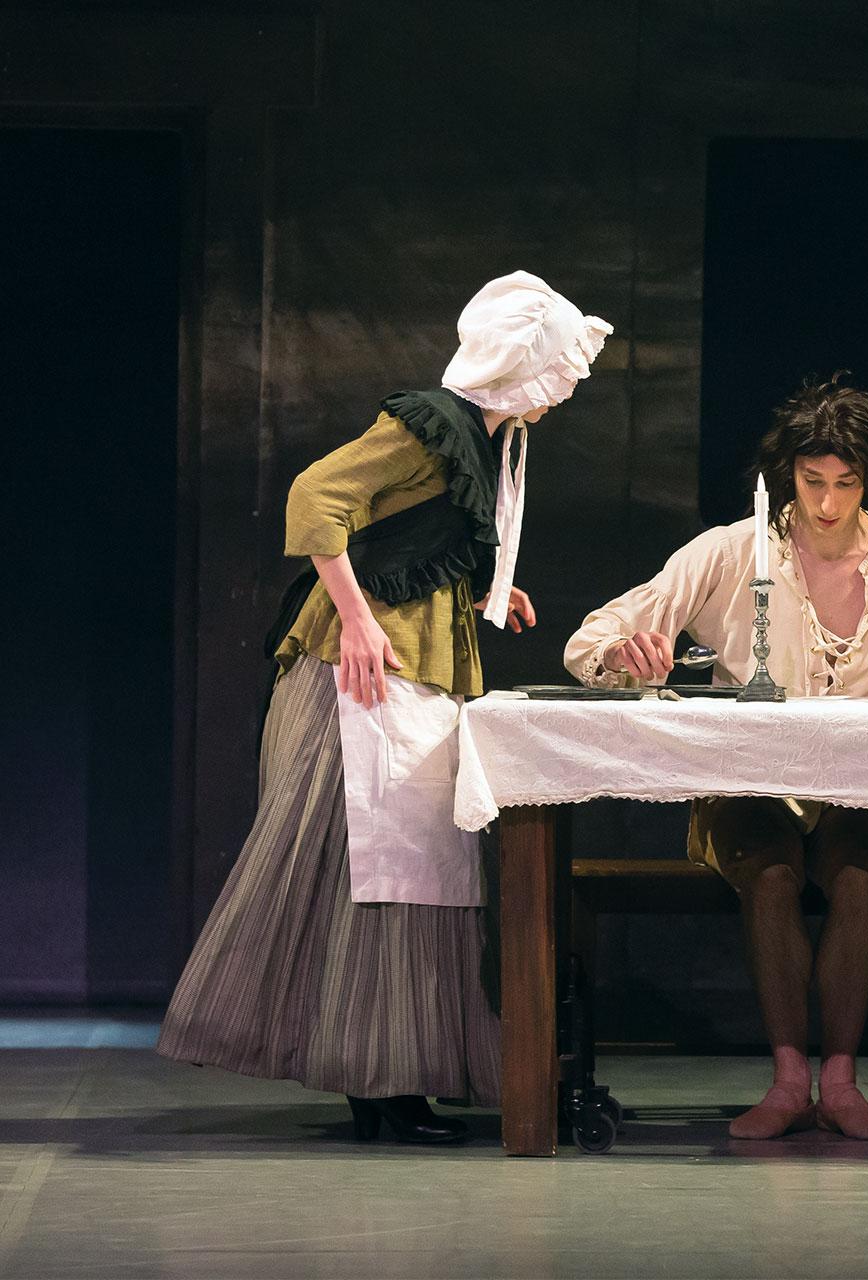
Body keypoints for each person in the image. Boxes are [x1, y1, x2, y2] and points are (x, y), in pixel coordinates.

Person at [159, 271, 611, 1144]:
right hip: (363, 672)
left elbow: (418, 533)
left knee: (414, 878)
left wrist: (484, 590)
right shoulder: (427, 424)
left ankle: (393, 1073)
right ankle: (377, 1079)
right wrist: (360, 621)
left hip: (421, 661)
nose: (559, 396)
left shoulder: (484, 438)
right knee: (370, 876)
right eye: (555, 376)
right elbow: (315, 497)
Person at [564, 376, 868, 1141]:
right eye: (813, 482)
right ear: (789, 477)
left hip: (860, 780)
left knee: (855, 880)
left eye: (846, 484)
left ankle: (840, 1082)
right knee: (774, 874)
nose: (826, 503)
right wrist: (625, 650)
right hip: (748, 781)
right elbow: (593, 640)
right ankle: (788, 1079)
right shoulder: (734, 550)